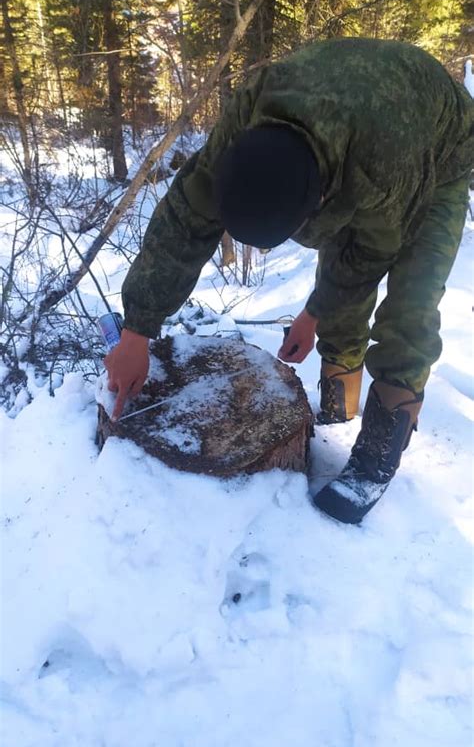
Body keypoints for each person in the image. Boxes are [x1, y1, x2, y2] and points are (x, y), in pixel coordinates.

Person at [105, 37, 473, 524]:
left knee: (412, 299)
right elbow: (186, 214)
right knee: (342, 277)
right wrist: (138, 328)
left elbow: (370, 253)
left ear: (321, 201)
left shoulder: (383, 166)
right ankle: (339, 403)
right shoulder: (248, 117)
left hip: (437, 153)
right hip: (360, 120)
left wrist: (313, 312)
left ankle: (380, 449)